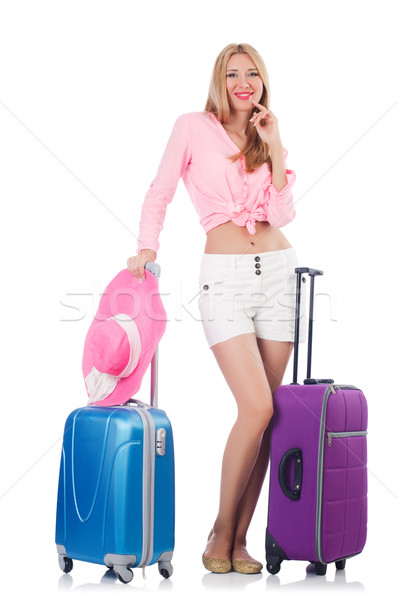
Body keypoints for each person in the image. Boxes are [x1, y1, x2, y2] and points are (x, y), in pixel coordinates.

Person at [127, 42, 306, 575]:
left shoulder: (265, 131)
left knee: (267, 417)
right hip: (224, 279)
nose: (243, 82)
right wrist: (147, 247)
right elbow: (160, 191)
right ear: (219, 80)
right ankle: (220, 530)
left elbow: (283, 210)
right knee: (256, 406)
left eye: (253, 73)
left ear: (263, 81)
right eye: (233, 74)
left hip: (279, 274)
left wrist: (274, 146)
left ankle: (242, 540)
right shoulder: (191, 126)